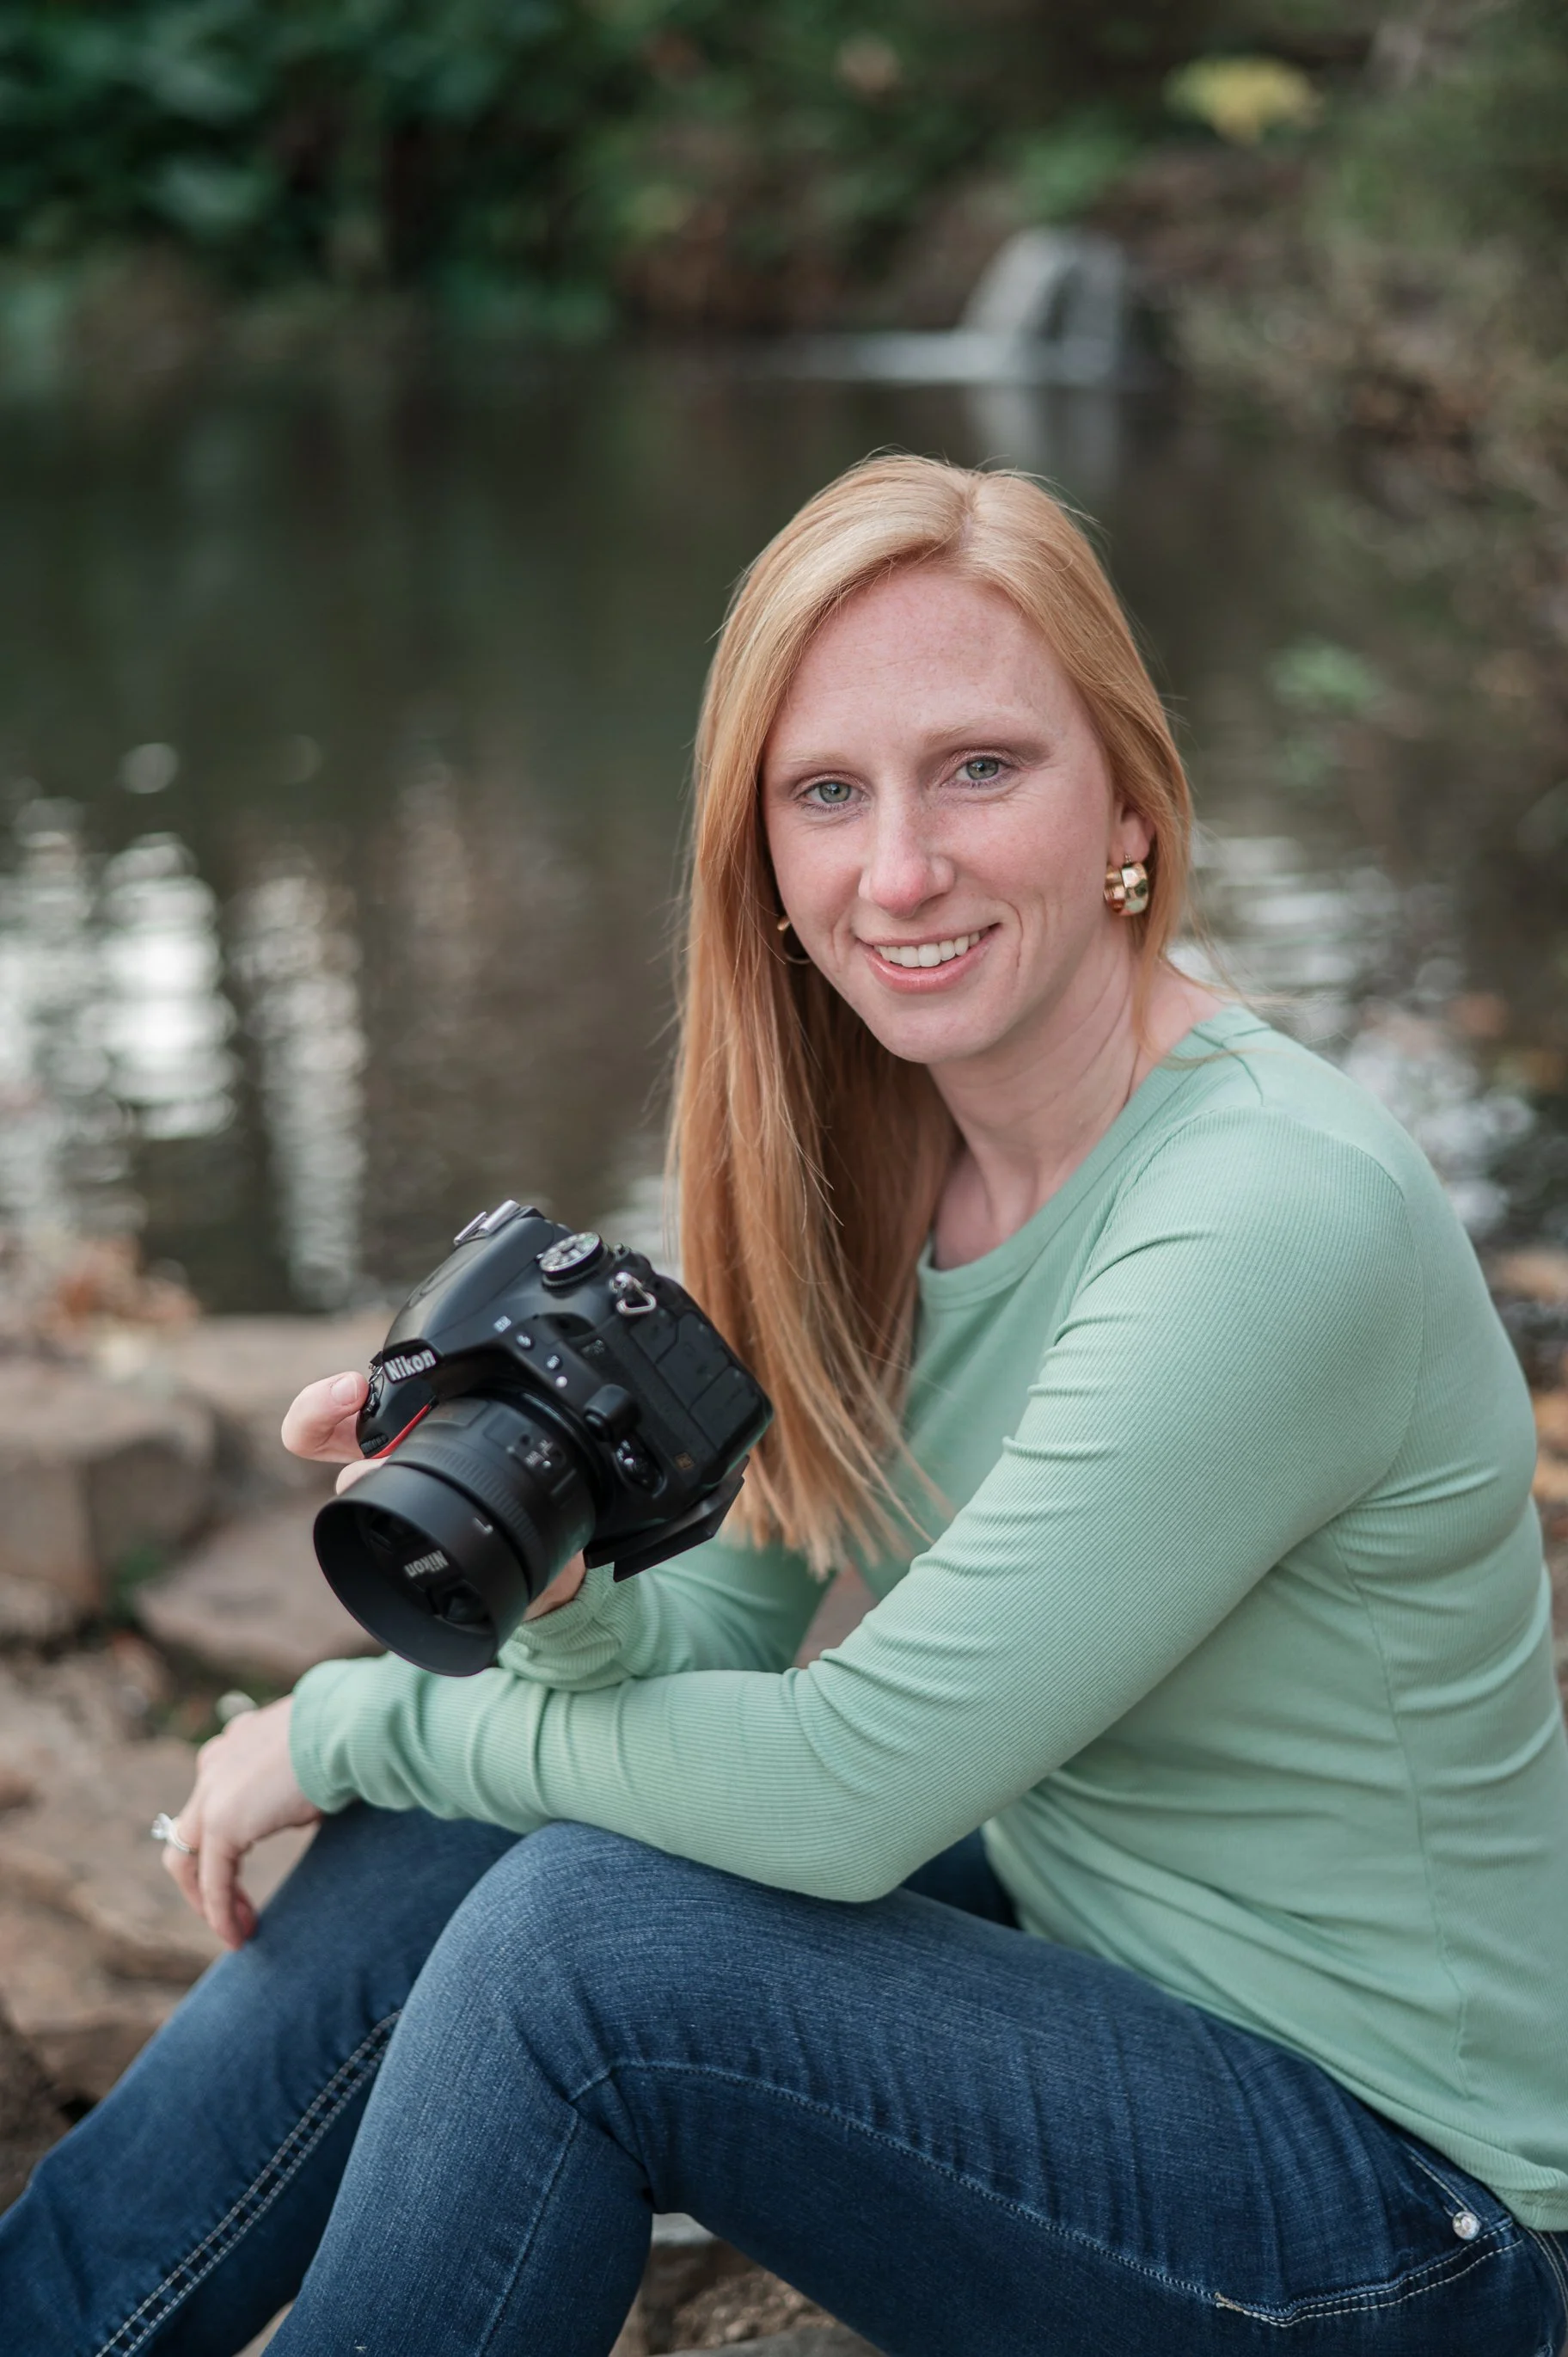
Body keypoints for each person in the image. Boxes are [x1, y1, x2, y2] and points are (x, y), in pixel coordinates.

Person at [4, 456, 1567, 2357]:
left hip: (1421, 2213)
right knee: (468, 1817)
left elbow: (844, 1790)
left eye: (980, 767)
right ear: (762, 852)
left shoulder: (1264, 1217)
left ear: (1132, 806)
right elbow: (710, 1636)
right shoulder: (882, 1151)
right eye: (828, 792)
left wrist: (347, 1720)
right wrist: (544, 1576)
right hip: (1128, 1988)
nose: (896, 870)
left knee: (577, 1947)